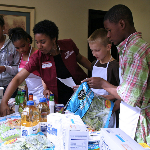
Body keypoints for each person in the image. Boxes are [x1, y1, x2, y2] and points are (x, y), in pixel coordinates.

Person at [82, 4, 150, 145]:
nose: (108, 35)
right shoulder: (126, 49)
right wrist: (112, 94)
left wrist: (103, 84)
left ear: (122, 24)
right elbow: (128, 87)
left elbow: (131, 95)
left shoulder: (136, 51)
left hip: (138, 120)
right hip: (128, 113)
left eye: (109, 30)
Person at [0, 19, 91, 116]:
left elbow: (80, 58)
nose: (39, 46)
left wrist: (96, 71)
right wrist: (3, 102)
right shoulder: (38, 57)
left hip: (82, 92)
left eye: (42, 42)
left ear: (53, 38)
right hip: (60, 100)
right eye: (37, 42)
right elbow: (18, 79)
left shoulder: (68, 44)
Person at [88, 28, 121, 128]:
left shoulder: (114, 66)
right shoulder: (94, 64)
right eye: (92, 50)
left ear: (108, 47)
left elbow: (122, 93)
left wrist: (110, 109)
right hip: (94, 109)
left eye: (97, 50)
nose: (94, 54)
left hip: (109, 110)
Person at [8, 27, 45, 105]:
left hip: (42, 93)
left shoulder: (38, 54)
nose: (21, 50)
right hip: (30, 95)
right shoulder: (20, 56)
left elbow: (45, 76)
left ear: (28, 40)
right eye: (17, 48)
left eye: (23, 45)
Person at [0, 15, 20, 97]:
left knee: (8, 110)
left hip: (10, 87)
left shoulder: (13, 44)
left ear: (3, 27)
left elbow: (19, 69)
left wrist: (5, 68)